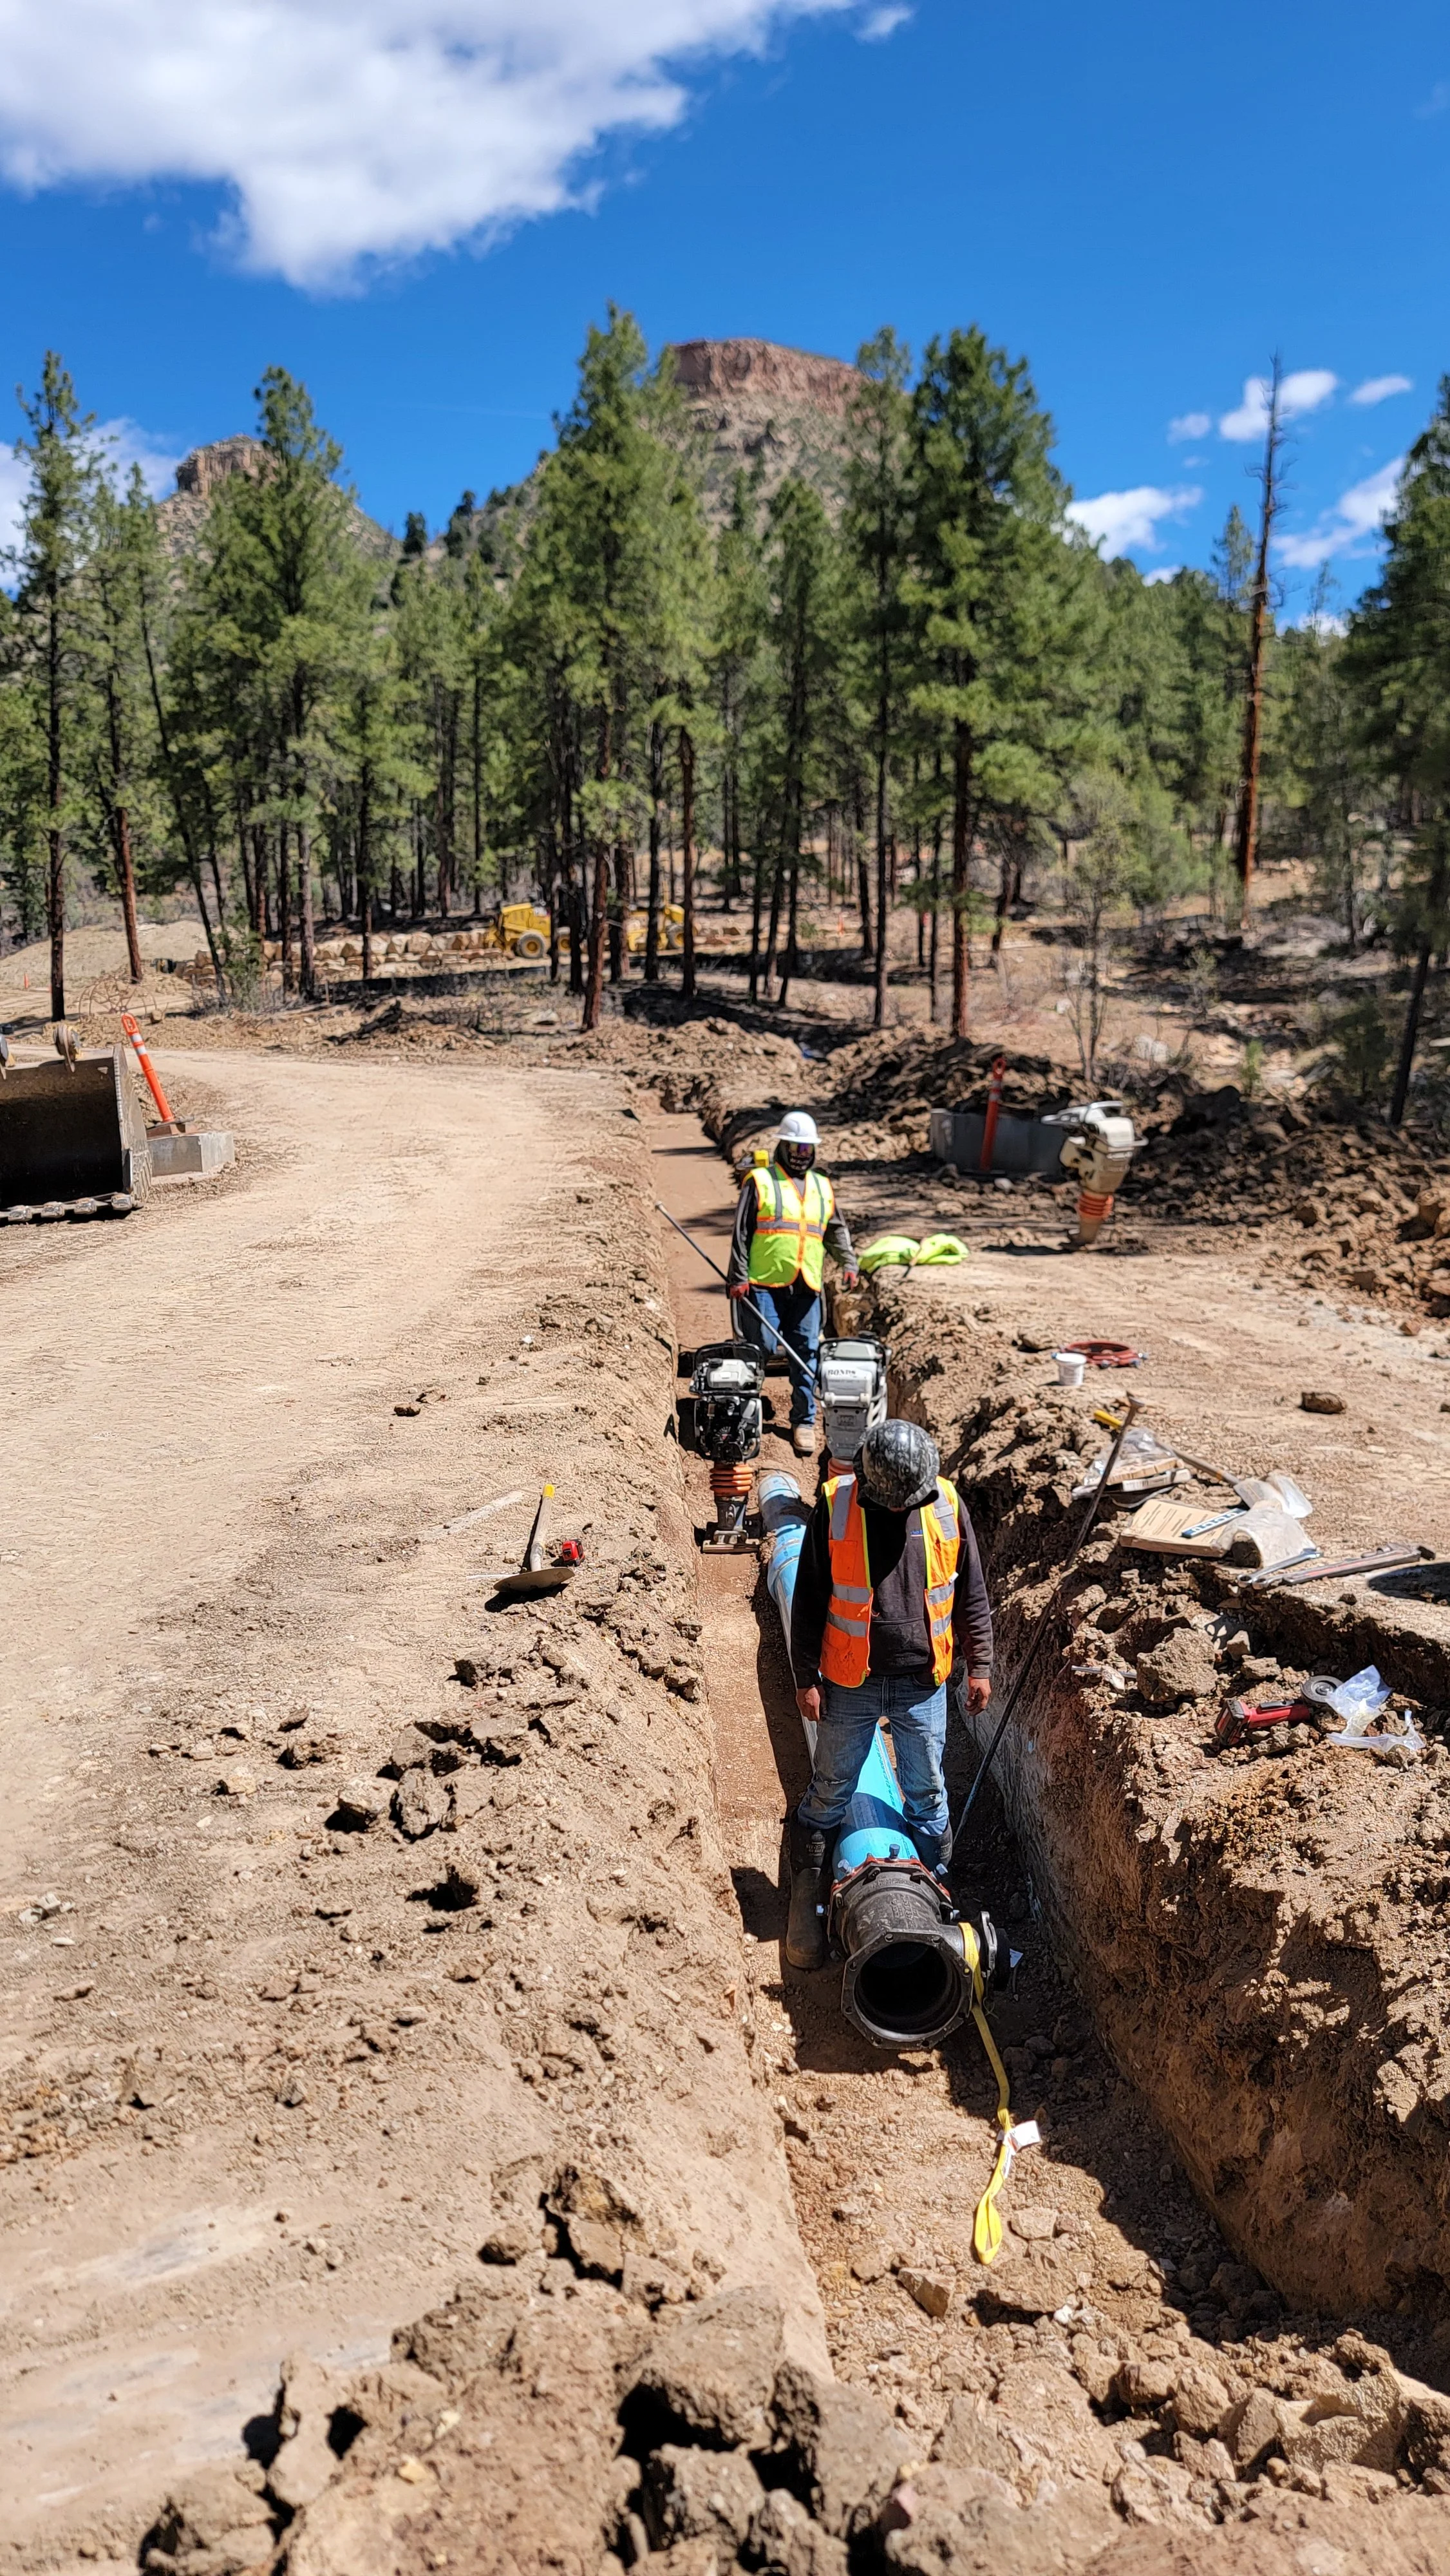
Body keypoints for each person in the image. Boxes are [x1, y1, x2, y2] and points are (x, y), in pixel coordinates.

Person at [784, 1417, 993, 1969]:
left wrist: (980, 1667)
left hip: (922, 1683)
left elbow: (971, 1591)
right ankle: (806, 1901)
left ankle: (936, 1897)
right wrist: (806, 1679)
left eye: (910, 1501)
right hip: (851, 1682)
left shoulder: (945, 1504)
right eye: (892, 1502)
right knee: (830, 1791)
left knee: (928, 1795)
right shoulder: (836, 1506)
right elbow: (805, 1599)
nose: (902, 1509)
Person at [726, 1111, 858, 1458]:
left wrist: (849, 1262)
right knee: (762, 1348)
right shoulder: (760, 1181)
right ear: (783, 1146)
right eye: (796, 1147)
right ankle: (747, 1412)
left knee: (806, 1354)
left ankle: (804, 1421)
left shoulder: (822, 1186)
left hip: (807, 1283)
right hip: (764, 1282)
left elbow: (835, 1229)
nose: (802, 1153)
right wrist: (738, 1277)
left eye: (807, 1148)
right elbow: (741, 1233)